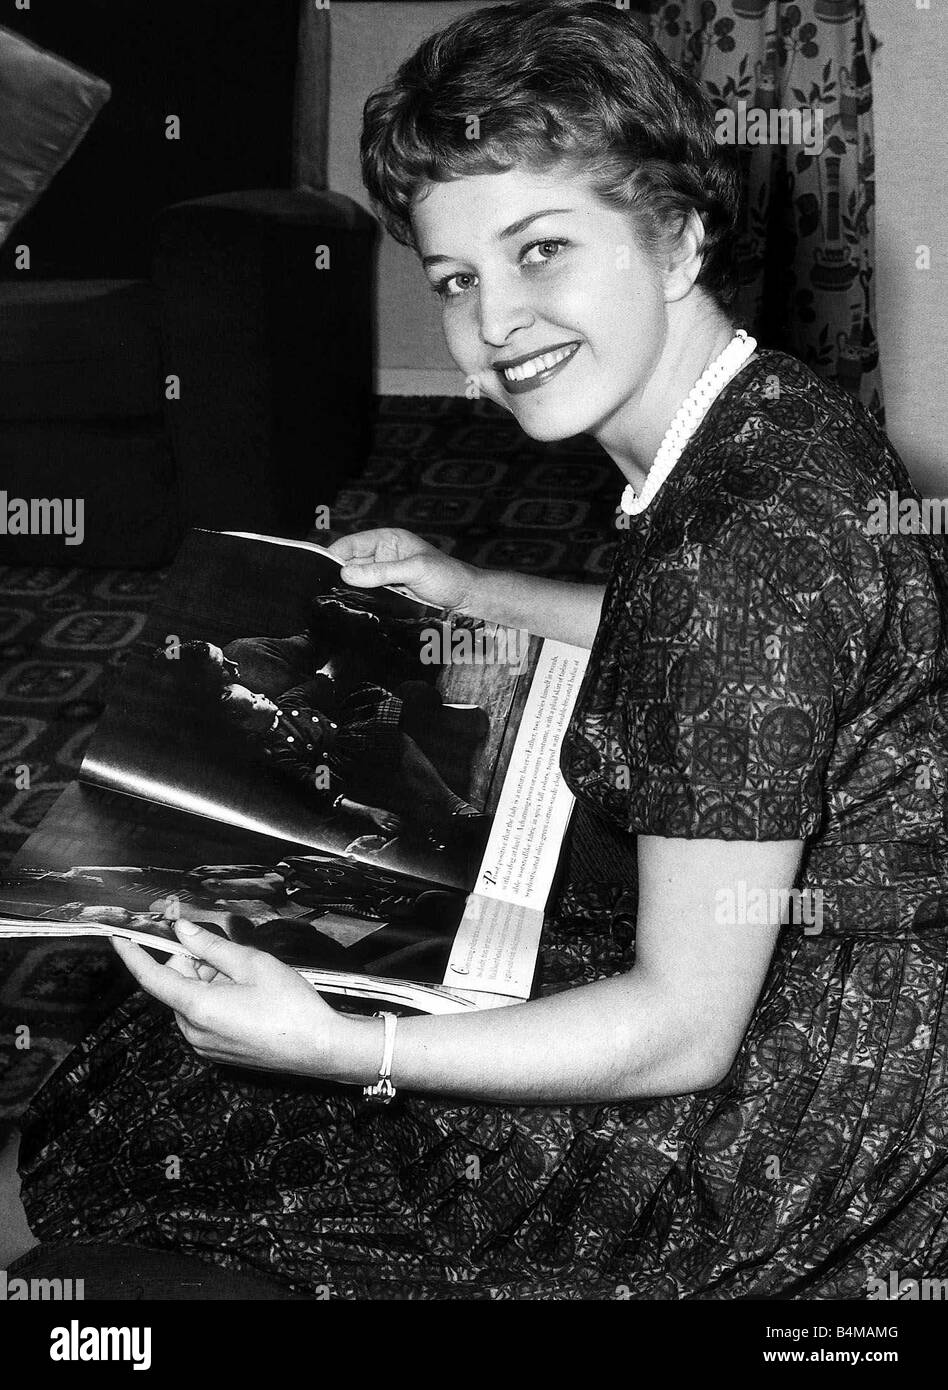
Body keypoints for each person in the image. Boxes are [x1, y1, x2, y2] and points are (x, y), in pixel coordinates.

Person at [11, 0, 948, 1299]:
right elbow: (699, 650)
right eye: (458, 278)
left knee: (224, 1096)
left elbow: (680, 1031)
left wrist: (349, 1047)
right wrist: (474, 586)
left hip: (794, 1109)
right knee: (186, 1044)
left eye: (543, 249)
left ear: (675, 238)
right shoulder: (759, 418)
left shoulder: (748, 552)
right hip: (815, 977)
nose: (496, 321)